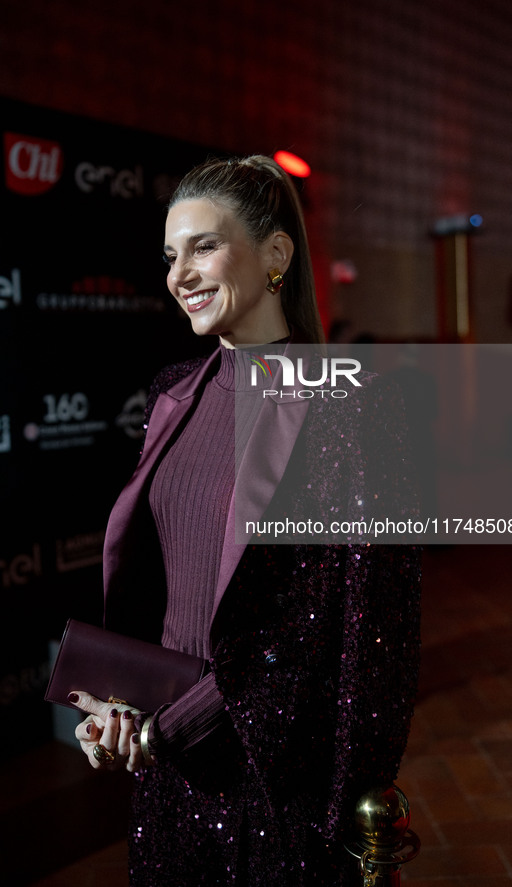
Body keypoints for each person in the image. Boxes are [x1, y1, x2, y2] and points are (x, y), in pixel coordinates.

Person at [68, 155, 421, 886]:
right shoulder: (171, 393)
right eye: (171, 255)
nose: (179, 273)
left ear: (275, 253)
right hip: (167, 782)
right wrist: (115, 708)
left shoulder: (353, 411)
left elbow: (336, 634)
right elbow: (156, 592)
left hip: (274, 787)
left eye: (203, 246)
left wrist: (175, 725)